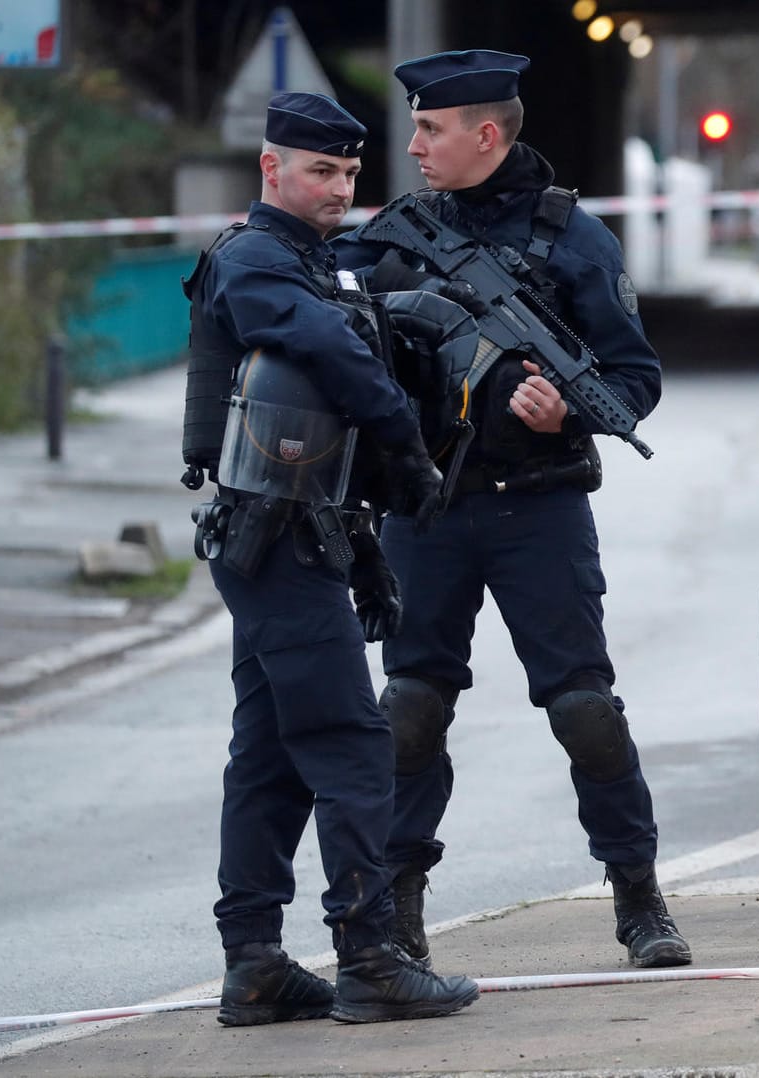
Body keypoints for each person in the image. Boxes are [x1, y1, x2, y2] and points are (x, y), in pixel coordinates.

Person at [331, 50, 687, 969]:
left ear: (485, 134)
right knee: (409, 709)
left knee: (584, 710)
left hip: (539, 506)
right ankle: (398, 906)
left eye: (431, 131)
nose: (412, 146)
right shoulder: (397, 231)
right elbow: (323, 304)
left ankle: (639, 896)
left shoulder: (574, 239)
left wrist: (570, 406)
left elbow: (636, 376)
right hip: (427, 506)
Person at [182, 92, 477, 1026]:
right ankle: (370, 954)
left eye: (350, 173)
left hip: (303, 530)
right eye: (321, 172)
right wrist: (403, 437)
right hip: (274, 538)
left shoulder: (312, 261)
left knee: (270, 751)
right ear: (272, 171)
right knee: (353, 743)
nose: (339, 189)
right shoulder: (256, 261)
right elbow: (315, 343)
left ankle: (257, 965)